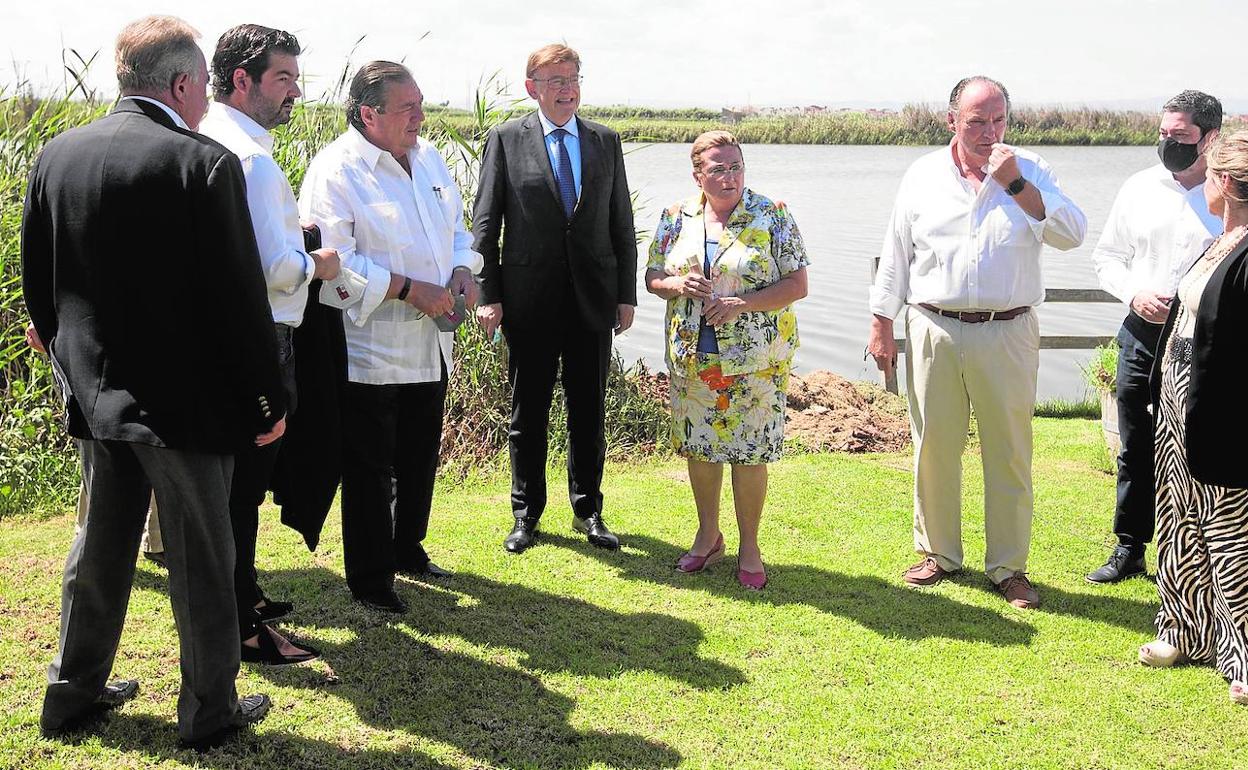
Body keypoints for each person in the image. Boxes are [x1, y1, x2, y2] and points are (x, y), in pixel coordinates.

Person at [22, 16, 280, 749]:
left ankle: (72, 692)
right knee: (203, 560)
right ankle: (209, 713)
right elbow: (239, 302)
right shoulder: (202, 163)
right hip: (187, 411)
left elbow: (37, 286)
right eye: (201, 85)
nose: (204, 99)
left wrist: (74, 371)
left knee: (99, 552)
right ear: (178, 83)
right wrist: (267, 400)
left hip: (98, 399)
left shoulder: (57, 153)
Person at [867, 76, 1087, 609]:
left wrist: (1015, 185)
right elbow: (896, 254)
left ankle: (1008, 567)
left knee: (1008, 452)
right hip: (933, 327)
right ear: (951, 121)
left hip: (1008, 329)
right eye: (977, 122)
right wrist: (880, 322)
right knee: (933, 446)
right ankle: (938, 554)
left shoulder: (1030, 170)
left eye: (998, 121)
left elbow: (1072, 233)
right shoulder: (921, 175)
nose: (990, 133)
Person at [300, 61, 482, 613]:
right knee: (371, 467)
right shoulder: (336, 170)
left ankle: (409, 549)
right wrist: (407, 289)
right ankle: (371, 576)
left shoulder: (427, 157)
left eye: (421, 105)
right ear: (368, 113)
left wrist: (463, 270)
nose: (420, 118)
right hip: (370, 350)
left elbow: (455, 227)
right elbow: (331, 263)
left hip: (433, 341)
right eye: (408, 109)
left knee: (420, 453)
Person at [200, 23, 340, 662]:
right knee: (245, 486)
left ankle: (244, 595)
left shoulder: (210, 136)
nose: (294, 93)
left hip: (222, 338)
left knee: (236, 484)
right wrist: (319, 263)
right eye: (282, 78)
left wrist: (294, 236)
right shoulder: (251, 157)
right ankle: (243, 625)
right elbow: (272, 268)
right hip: (264, 335)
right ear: (241, 80)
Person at [473, 43, 637, 554]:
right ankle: (526, 515)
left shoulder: (605, 142)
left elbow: (621, 223)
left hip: (593, 300)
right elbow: (485, 223)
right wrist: (489, 294)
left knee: (588, 410)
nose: (567, 89)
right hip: (529, 301)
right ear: (532, 88)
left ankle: (589, 510)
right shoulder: (505, 140)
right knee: (529, 413)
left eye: (573, 78)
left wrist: (625, 294)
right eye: (555, 80)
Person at [643, 131, 808, 589]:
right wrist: (675, 286)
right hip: (694, 358)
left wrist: (744, 304)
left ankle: (749, 546)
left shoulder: (773, 215)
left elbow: (797, 284)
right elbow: (652, 276)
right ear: (698, 174)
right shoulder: (676, 217)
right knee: (700, 449)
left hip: (756, 362)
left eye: (736, 166)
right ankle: (707, 536)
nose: (730, 176)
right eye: (718, 168)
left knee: (750, 454)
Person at [1087, 91, 1223, 583]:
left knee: (1196, 443)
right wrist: (1133, 293)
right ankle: (1130, 545)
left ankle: (1196, 554)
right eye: (1163, 134)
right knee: (1134, 442)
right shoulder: (1138, 187)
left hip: (1205, 340)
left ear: (1210, 137)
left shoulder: (1230, 193)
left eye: (1180, 136)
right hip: (1143, 331)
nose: (1168, 144)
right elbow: (1106, 257)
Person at [1138, 129, 1248, 706]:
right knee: (1177, 519)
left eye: (1208, 175)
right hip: (1181, 398)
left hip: (1223, 407)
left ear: (1226, 183)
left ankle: (1245, 656)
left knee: (1230, 531)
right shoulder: (1221, 239)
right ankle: (1183, 631)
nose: (1201, 184)